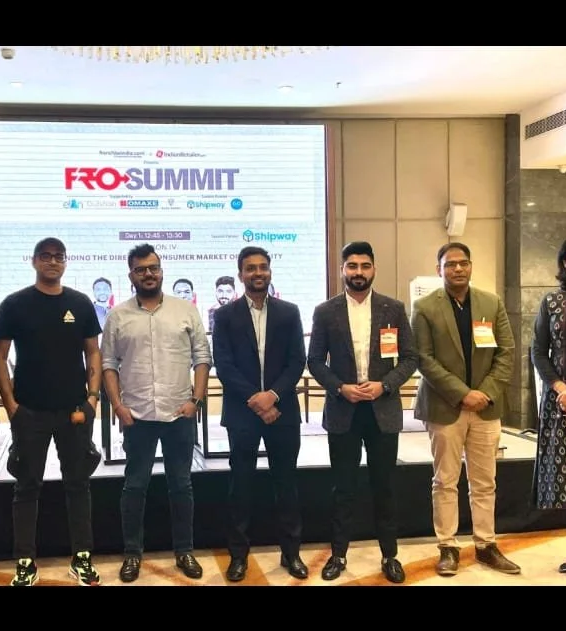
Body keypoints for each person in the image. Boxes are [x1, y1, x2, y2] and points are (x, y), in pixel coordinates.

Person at [0, 238, 103, 587]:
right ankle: (26, 561)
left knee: (78, 485)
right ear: (35, 261)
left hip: (74, 412)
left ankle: (81, 558)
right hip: (30, 413)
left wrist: (92, 399)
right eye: (46, 257)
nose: (53, 262)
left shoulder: (80, 304)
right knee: (26, 487)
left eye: (59, 257)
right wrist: (11, 406)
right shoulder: (14, 304)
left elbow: (93, 353)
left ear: (66, 262)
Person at [307, 241, 417, 584]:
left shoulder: (393, 309)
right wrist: (341, 387)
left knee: (384, 485)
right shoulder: (326, 311)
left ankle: (390, 555)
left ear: (374, 269)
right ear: (342, 270)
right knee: (343, 487)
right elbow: (314, 361)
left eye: (364, 266)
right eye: (351, 266)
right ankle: (338, 554)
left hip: (382, 411)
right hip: (344, 410)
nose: (358, 272)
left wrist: (384, 385)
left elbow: (411, 358)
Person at [102, 244, 211, 582]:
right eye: (140, 269)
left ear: (161, 270)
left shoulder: (185, 311)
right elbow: (108, 364)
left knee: (182, 485)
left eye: (153, 267)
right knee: (134, 486)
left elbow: (202, 357)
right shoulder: (118, 315)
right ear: (131, 275)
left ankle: (185, 550)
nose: (148, 274)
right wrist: (118, 406)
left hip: (179, 414)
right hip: (137, 416)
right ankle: (132, 554)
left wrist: (196, 400)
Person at [412, 242, 519, 577]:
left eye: (463, 263)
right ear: (438, 269)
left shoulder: (491, 302)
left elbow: (507, 352)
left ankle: (486, 545)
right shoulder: (425, 307)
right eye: (450, 264)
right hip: (445, 407)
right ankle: (447, 546)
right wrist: (462, 394)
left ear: (471, 266)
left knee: (485, 480)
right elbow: (423, 359)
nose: (457, 269)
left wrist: (484, 393)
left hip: (487, 407)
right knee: (445, 480)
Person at [212, 245, 307, 582]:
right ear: (240, 274)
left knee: (287, 484)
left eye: (263, 267)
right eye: (250, 268)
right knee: (241, 486)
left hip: (283, 412)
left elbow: (298, 361)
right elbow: (223, 364)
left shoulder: (289, 312)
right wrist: (256, 399)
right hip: (242, 413)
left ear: (270, 271)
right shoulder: (224, 316)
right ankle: (238, 557)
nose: (257, 273)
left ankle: (291, 554)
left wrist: (273, 397)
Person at [531, 236, 566, 573]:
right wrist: (560, 387)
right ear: (565, 262)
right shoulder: (552, 302)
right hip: (563, 403)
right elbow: (538, 352)